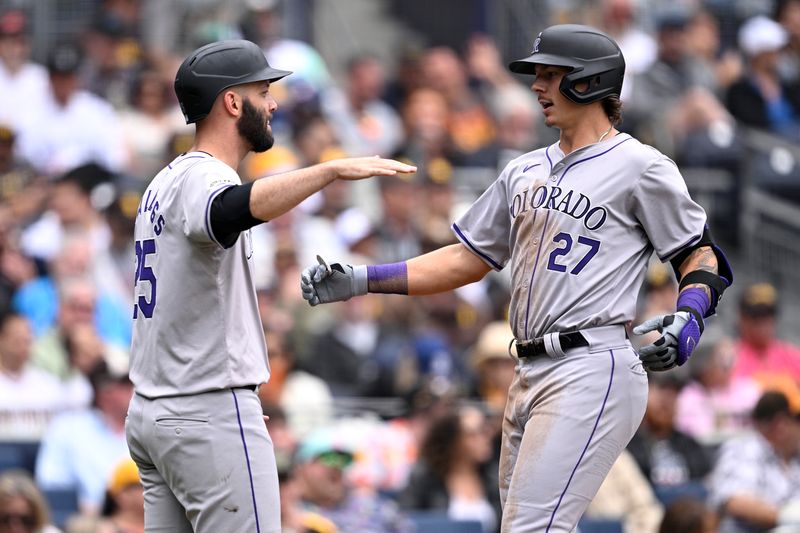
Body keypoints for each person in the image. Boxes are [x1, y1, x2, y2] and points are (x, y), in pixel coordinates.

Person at [300, 24, 733, 531]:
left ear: (589, 83)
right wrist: (363, 278)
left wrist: (691, 315)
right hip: (526, 369)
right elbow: (468, 258)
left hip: (592, 364)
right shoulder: (523, 169)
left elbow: (699, 254)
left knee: (532, 527)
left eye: (551, 75)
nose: (537, 87)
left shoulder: (641, 166)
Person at [123, 39, 415, 533]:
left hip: (154, 413)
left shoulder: (162, 181)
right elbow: (226, 211)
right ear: (232, 102)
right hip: (206, 408)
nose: (274, 102)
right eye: (263, 90)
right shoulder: (204, 176)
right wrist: (329, 170)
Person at [399, 405, 501, 533]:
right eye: (474, 434)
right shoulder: (425, 477)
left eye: (485, 431)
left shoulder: (494, 479)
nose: (485, 439)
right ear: (454, 441)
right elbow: (405, 522)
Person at [708, 391, 800, 532]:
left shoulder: (794, 456)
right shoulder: (745, 449)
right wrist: (786, 516)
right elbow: (735, 502)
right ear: (781, 424)